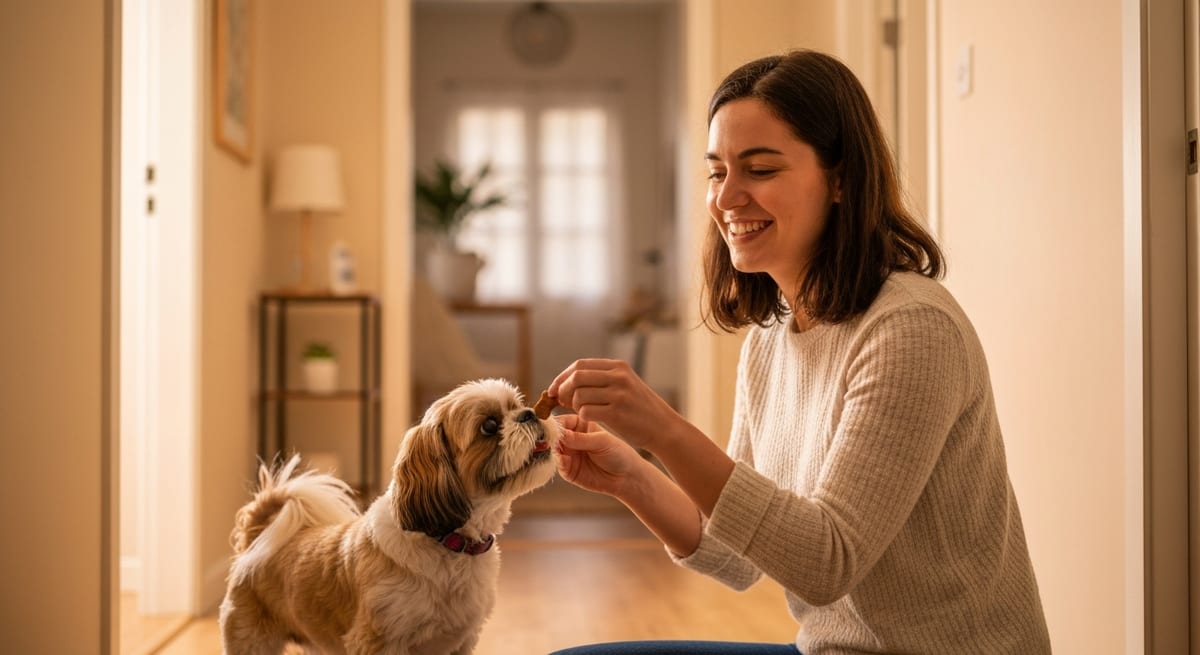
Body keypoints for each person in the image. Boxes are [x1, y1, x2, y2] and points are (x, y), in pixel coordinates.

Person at [545, 50, 1052, 655]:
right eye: (717, 172)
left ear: (841, 179)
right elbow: (733, 550)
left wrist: (664, 428)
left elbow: (825, 561)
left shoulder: (912, 329)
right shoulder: (769, 341)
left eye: (759, 169)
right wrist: (630, 475)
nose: (726, 198)